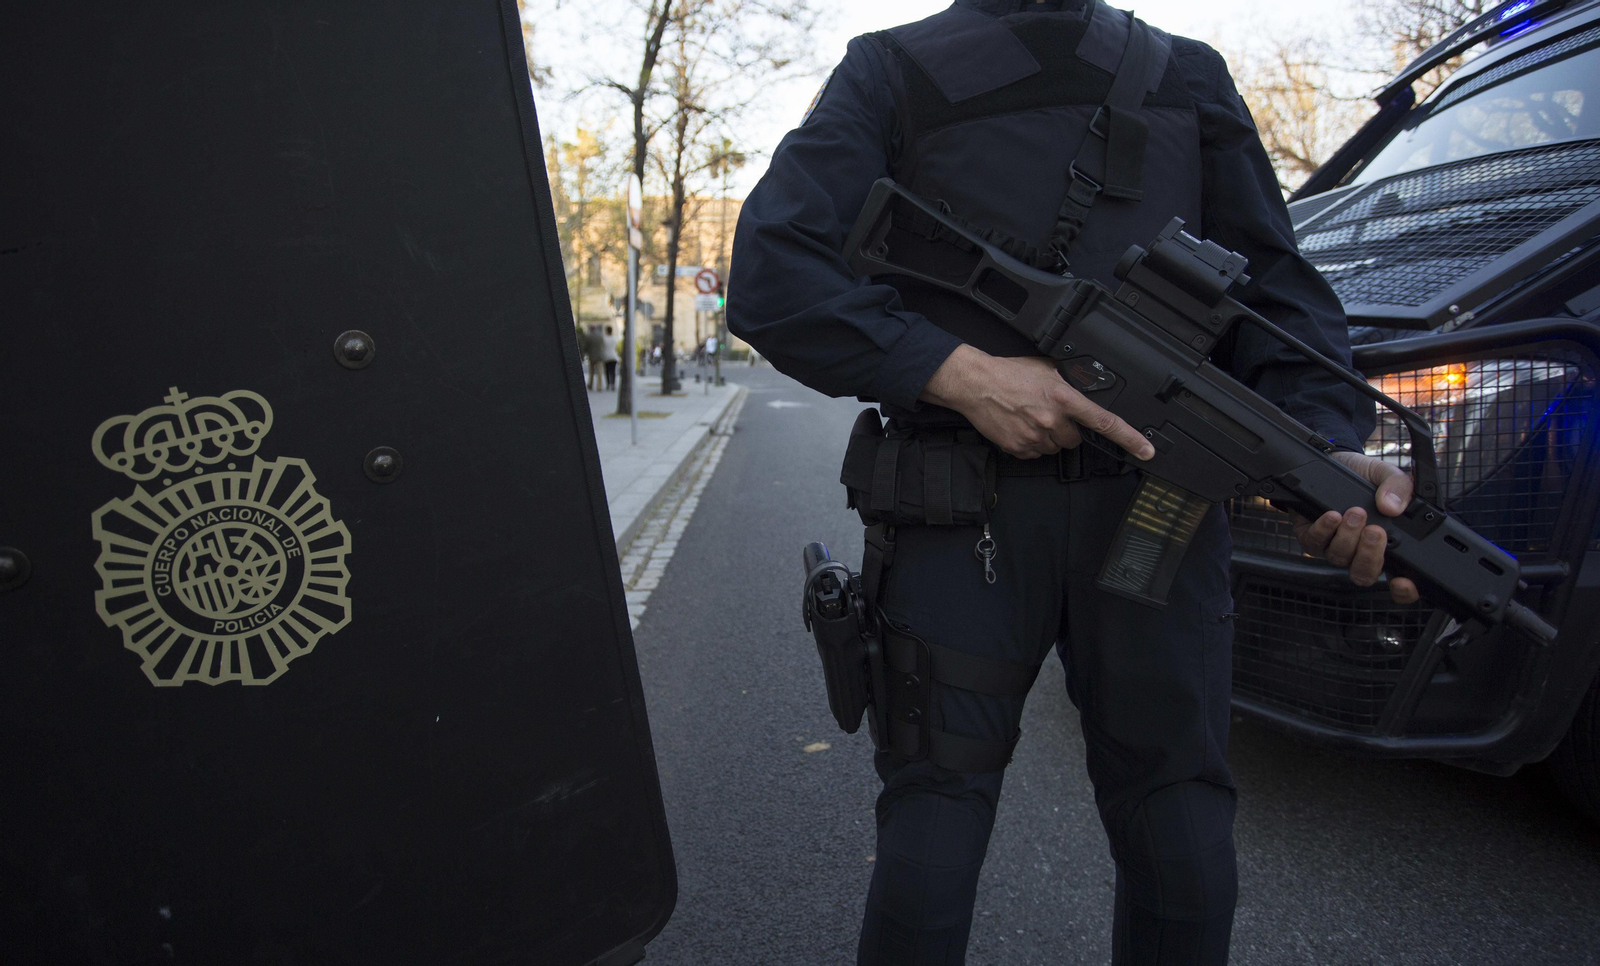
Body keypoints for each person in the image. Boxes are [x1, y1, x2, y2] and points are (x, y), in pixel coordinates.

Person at [726, 2, 1417, 964]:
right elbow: (1278, 299)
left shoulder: (897, 69)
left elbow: (772, 275)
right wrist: (972, 375)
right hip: (1112, 512)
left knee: (950, 811)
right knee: (1161, 808)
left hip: (995, 514)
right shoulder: (1178, 74)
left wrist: (1325, 460)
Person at [601, 324, 621, 391]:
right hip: (613, 356)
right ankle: (613, 384)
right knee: (613, 371)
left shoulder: (604, 339)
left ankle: (608, 384)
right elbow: (617, 347)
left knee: (607, 371)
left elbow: (603, 347)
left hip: (606, 356)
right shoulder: (615, 338)